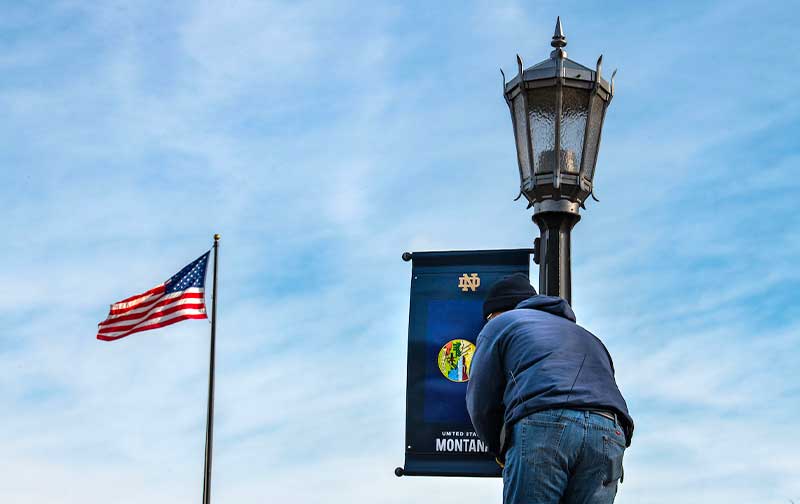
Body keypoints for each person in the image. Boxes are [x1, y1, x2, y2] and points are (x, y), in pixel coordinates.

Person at [466, 273, 633, 504]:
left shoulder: (501, 324)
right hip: (610, 430)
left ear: (498, 312)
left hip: (545, 423)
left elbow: (481, 398)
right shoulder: (587, 335)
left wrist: (498, 447)